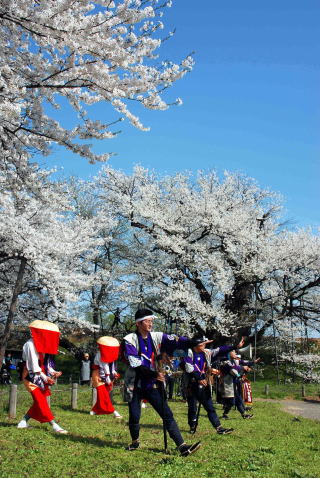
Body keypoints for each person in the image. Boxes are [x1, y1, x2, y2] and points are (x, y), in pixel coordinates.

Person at [123, 308, 201, 456]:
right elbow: (136, 365)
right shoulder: (129, 340)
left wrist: (191, 342)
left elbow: (175, 340)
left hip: (152, 383)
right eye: (148, 321)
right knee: (134, 415)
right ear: (139, 323)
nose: (151, 323)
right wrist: (155, 374)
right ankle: (135, 441)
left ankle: (182, 446)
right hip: (134, 383)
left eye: (151, 320)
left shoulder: (156, 337)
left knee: (167, 413)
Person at [184, 336, 244, 435]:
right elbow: (189, 368)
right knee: (192, 407)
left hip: (204, 383)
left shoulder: (206, 353)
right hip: (192, 384)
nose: (204, 345)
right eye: (202, 344)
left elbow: (220, 350)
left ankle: (219, 427)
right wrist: (198, 378)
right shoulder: (189, 353)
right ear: (196, 346)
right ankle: (192, 425)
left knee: (210, 406)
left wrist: (235, 346)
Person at [17, 320, 67, 433]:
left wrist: (53, 372)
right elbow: (34, 367)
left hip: (40, 375)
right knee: (41, 401)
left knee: (40, 400)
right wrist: (46, 378)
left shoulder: (44, 345)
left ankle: (23, 422)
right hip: (29, 376)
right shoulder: (30, 345)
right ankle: (54, 425)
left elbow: (46, 364)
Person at [220, 350, 259, 420]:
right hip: (227, 385)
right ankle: (224, 414)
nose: (235, 353)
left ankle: (244, 414)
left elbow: (243, 362)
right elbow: (233, 369)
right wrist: (242, 368)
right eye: (233, 352)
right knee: (231, 402)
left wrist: (253, 362)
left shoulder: (234, 361)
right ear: (229, 353)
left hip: (233, 384)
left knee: (238, 400)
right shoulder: (226, 362)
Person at [90, 336, 122, 419]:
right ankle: (113, 411)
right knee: (103, 394)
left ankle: (95, 410)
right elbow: (104, 365)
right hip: (98, 375)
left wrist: (114, 372)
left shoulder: (111, 354)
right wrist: (107, 376)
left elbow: (111, 365)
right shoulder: (99, 354)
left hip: (107, 375)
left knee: (104, 394)